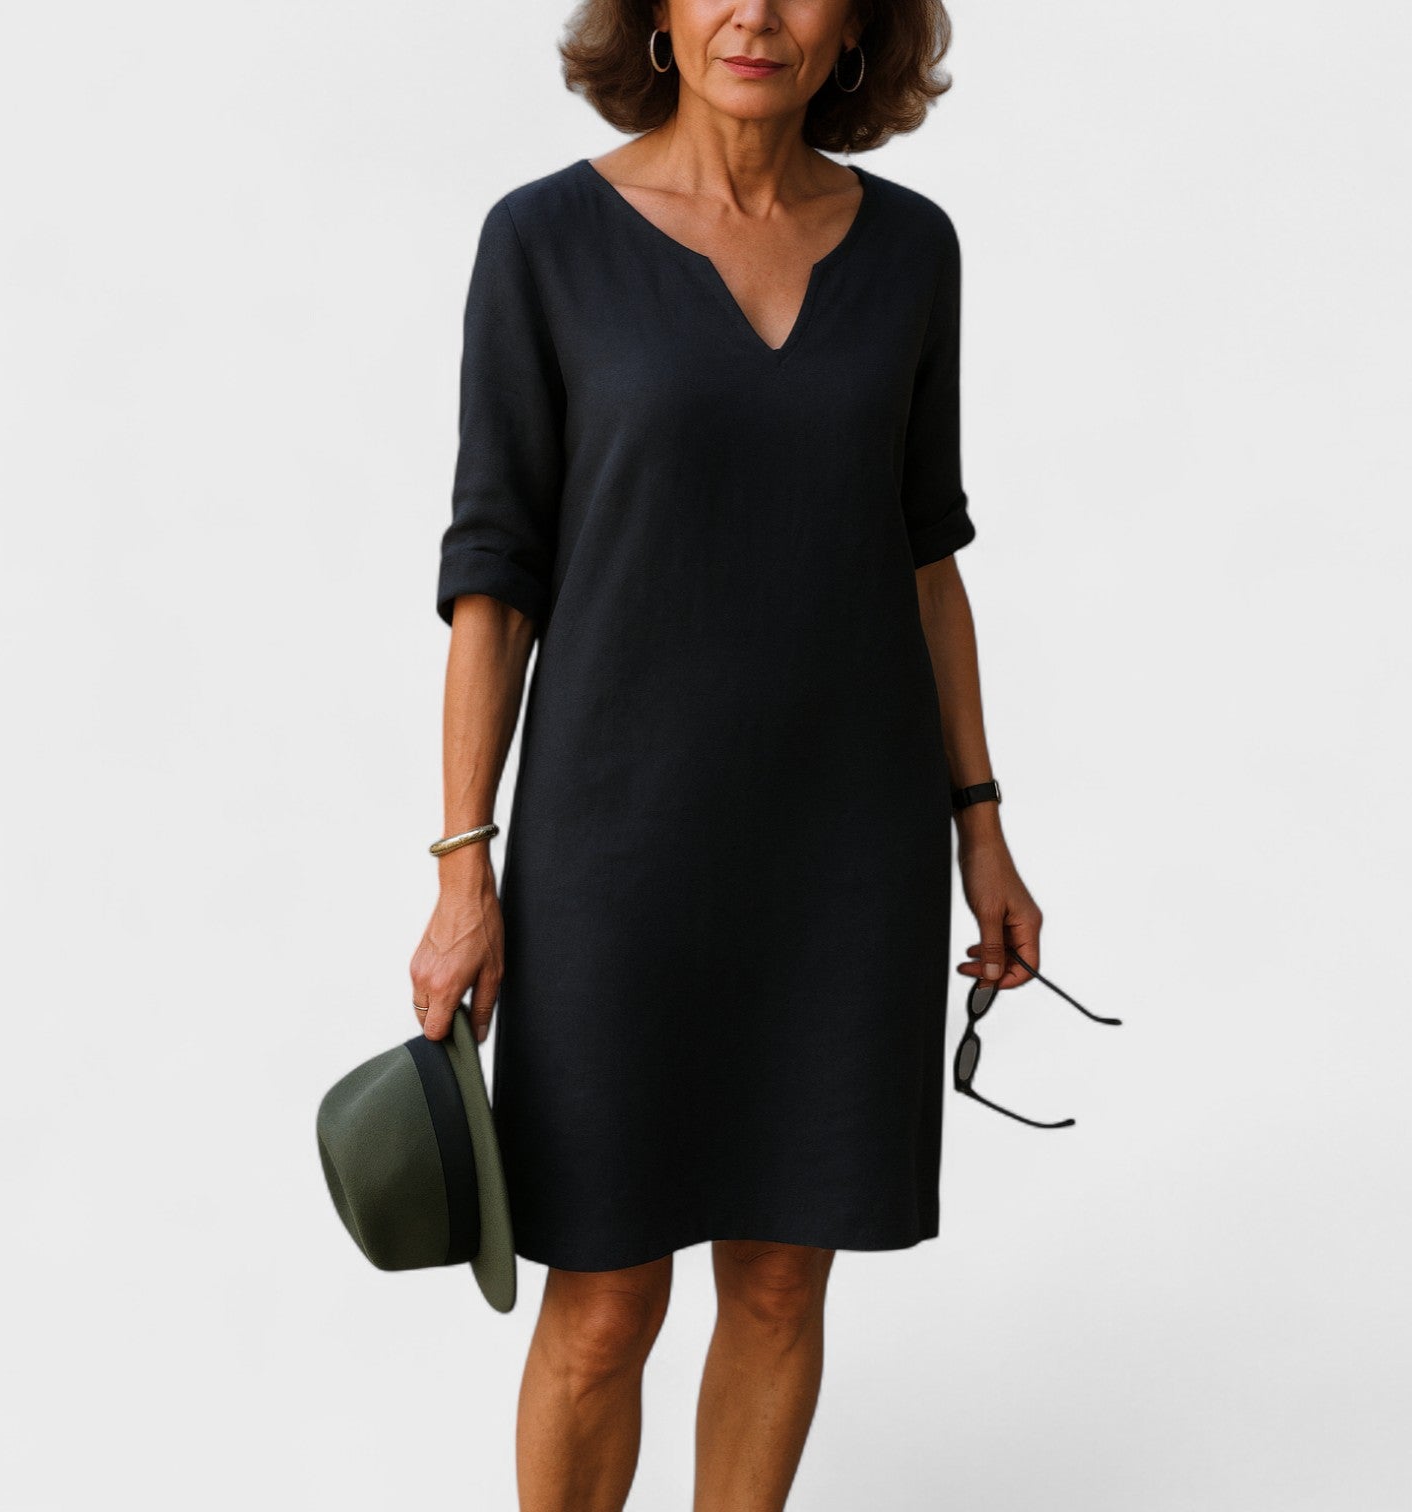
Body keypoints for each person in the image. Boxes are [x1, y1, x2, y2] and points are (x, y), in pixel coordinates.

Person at [409, 3, 1043, 1507]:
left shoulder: (912, 249)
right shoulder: (543, 241)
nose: (755, 12)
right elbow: (495, 575)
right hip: (615, 856)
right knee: (602, 1301)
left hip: (848, 854)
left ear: (859, 27)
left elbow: (926, 560)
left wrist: (982, 827)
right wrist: (462, 870)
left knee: (776, 1285)